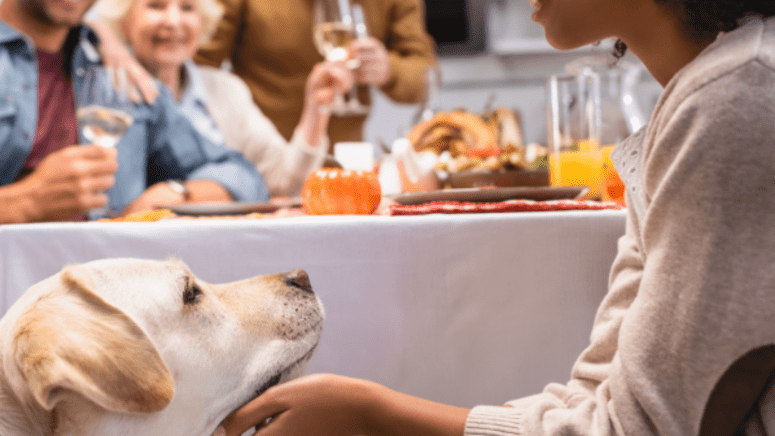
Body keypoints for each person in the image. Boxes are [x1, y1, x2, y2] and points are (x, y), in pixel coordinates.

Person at [212, 0, 775, 435]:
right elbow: (598, 400)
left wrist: (373, 414)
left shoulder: (735, 99)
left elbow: (638, 428)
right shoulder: (700, 100)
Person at [0, 0, 268, 224]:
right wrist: (23, 202)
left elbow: (242, 176)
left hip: (106, 279)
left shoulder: (123, 77)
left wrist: (176, 193)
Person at [91, 0, 353, 197]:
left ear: (203, 22)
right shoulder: (106, 92)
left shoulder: (226, 89)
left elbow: (284, 180)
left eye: (187, 8)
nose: (173, 21)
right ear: (124, 23)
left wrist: (317, 107)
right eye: (156, 6)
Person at [193, 0, 437, 146]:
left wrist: (389, 69)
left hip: (346, 157)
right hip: (266, 157)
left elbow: (426, 77)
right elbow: (195, 66)